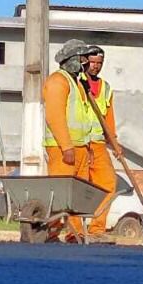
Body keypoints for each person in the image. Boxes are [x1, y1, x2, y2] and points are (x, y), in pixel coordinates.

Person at [41, 39, 113, 242]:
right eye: (81, 59)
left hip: (81, 147)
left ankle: (75, 233)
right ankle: (52, 232)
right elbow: (54, 117)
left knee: (76, 195)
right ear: (71, 59)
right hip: (63, 149)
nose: (85, 63)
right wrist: (66, 146)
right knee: (61, 193)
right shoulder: (58, 81)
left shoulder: (76, 82)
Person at [77, 45, 123, 239]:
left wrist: (115, 144)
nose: (96, 66)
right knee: (77, 187)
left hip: (97, 143)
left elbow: (108, 120)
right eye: (93, 62)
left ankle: (97, 229)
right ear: (85, 61)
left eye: (99, 63)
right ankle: (76, 231)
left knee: (108, 183)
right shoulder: (76, 82)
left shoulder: (106, 88)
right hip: (78, 142)